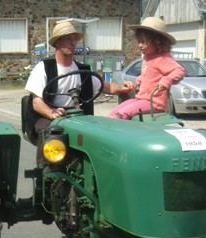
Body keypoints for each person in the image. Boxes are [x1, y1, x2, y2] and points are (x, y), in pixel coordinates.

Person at [25, 22, 134, 160]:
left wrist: (122, 87)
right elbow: (36, 102)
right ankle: (46, 172)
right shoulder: (44, 67)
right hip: (49, 116)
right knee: (50, 134)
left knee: (101, 133)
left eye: (75, 39)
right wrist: (51, 113)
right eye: (68, 39)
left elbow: (104, 86)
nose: (73, 43)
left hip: (77, 117)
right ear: (57, 42)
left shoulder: (82, 70)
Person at [107, 17, 185, 120]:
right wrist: (138, 81)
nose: (140, 45)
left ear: (158, 42)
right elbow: (149, 75)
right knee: (113, 113)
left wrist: (166, 80)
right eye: (139, 41)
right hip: (141, 99)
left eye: (144, 42)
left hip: (154, 103)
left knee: (121, 115)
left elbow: (179, 70)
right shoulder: (147, 58)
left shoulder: (163, 58)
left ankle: (119, 134)